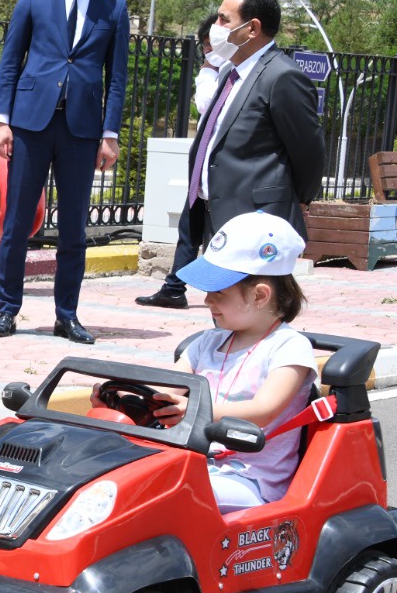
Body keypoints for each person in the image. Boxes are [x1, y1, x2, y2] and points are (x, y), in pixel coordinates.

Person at [0, 0, 130, 345]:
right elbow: (11, 61)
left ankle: (66, 314)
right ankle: (7, 309)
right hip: (30, 123)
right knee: (16, 224)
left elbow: (117, 78)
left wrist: (110, 134)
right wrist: (1, 120)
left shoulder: (114, 7)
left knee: (73, 229)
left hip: (81, 130)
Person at [116, 212, 316, 511]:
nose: (207, 300)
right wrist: (121, 395)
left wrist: (197, 413)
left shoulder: (289, 348)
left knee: (161, 496)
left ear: (260, 295)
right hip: (198, 462)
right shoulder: (207, 342)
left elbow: (262, 412)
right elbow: (165, 388)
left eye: (218, 293)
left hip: (252, 481)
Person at [181, 0, 324, 245]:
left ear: (252, 29)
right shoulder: (228, 72)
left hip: (258, 219)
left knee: (254, 288)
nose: (216, 26)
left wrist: (298, 199)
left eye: (225, 20)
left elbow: (308, 151)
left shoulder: (282, 76)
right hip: (216, 214)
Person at [138, 10, 222, 310]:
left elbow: (206, 105)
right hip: (203, 164)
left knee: (218, 234)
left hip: (223, 169)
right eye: (207, 44)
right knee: (190, 228)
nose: (210, 51)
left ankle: (223, 292)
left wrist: (209, 71)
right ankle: (174, 288)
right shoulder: (215, 71)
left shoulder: (229, 73)